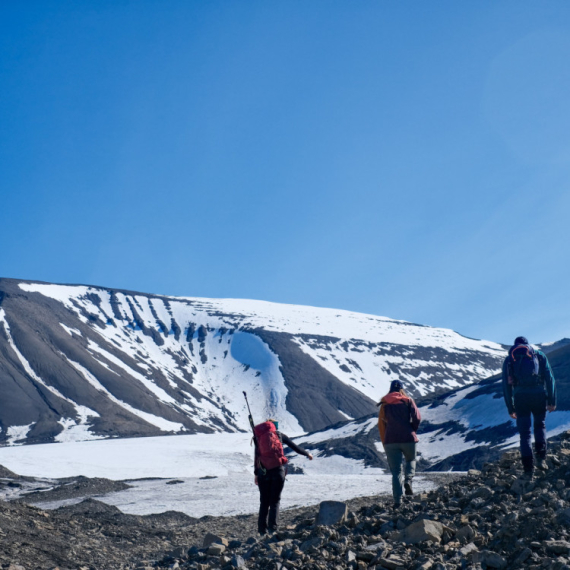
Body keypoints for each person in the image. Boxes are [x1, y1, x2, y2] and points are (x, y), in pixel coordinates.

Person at [502, 336, 556, 478]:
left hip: (520, 398)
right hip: (538, 395)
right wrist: (552, 400)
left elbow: (506, 386)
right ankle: (541, 458)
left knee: (525, 433)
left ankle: (528, 469)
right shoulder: (539, 355)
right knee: (540, 425)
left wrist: (510, 407)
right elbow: (550, 378)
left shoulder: (509, 360)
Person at [253, 419, 313, 535]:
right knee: (275, 501)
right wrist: (307, 454)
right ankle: (272, 529)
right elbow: (294, 447)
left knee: (264, 502)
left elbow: (257, 457)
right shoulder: (279, 435)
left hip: (263, 473)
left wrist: (256, 473)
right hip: (278, 471)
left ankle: (261, 530)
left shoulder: (258, 438)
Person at [378, 379, 421, 508]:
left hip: (391, 440)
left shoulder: (384, 404)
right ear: (401, 389)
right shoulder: (408, 401)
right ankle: (408, 479)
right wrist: (412, 429)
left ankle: (397, 501)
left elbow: (381, 425)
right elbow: (417, 418)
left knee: (396, 472)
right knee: (411, 459)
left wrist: (384, 441)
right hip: (408, 437)